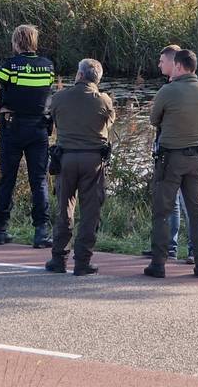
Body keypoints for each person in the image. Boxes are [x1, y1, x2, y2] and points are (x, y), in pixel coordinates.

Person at [0, 24, 56, 247]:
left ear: (15, 43)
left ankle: (1, 230)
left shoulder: (10, 66)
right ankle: (41, 232)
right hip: (39, 129)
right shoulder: (47, 67)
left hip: (12, 128)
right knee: (39, 181)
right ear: (34, 42)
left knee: (7, 180)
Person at [144, 48, 198, 279]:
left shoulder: (168, 90)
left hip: (171, 159)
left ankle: (159, 263)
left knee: (163, 212)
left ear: (180, 66)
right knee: (197, 213)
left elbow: (155, 119)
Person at [44, 58, 115, 276]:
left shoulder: (59, 97)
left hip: (65, 159)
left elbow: (52, 118)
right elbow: (109, 123)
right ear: (97, 79)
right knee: (90, 211)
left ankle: (59, 259)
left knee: (65, 208)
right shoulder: (103, 100)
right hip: (93, 161)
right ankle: (82, 261)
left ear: (80, 75)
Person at [140, 44, 196, 263]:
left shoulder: (174, 90)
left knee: (183, 203)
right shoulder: (176, 87)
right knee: (174, 203)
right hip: (177, 151)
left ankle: (189, 250)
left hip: (177, 153)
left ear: (175, 63)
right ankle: (171, 248)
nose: (159, 65)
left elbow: (156, 118)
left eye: (162, 61)